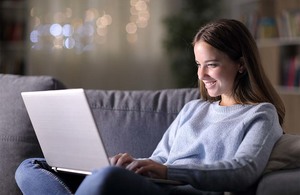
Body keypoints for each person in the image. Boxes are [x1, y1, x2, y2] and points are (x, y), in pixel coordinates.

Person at [15, 19, 285, 195]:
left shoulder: (260, 114)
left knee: (107, 179)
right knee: (31, 166)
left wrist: (167, 171)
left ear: (241, 64)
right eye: (198, 65)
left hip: (184, 191)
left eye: (212, 64)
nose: (202, 75)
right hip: (154, 185)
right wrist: (132, 164)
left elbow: (244, 170)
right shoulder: (194, 109)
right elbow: (160, 158)